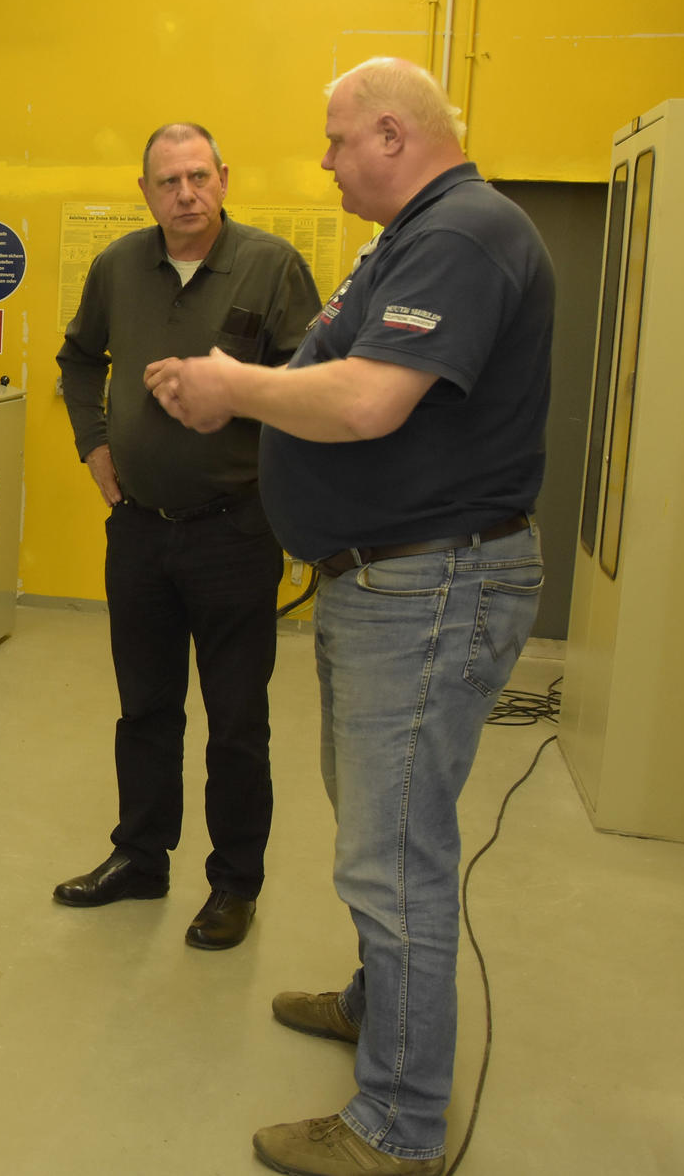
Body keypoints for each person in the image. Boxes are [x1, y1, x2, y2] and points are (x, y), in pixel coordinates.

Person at [145, 58, 552, 1176]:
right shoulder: (415, 235)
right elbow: (339, 367)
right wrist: (248, 388)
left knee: (391, 853)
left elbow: (370, 399)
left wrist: (233, 386)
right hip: (386, 583)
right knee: (383, 830)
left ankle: (397, 1125)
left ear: (387, 133)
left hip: (428, 584)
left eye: (331, 141)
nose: (320, 160)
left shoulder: (461, 234)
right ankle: (384, 1003)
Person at [53, 123, 320, 950]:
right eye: (167, 181)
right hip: (137, 532)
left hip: (234, 531)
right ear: (146, 192)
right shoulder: (116, 267)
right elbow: (75, 359)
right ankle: (140, 855)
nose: (185, 194)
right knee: (144, 709)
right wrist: (96, 447)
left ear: (223, 178)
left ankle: (235, 884)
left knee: (237, 719)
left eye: (198, 176)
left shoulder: (272, 266)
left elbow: (312, 384)